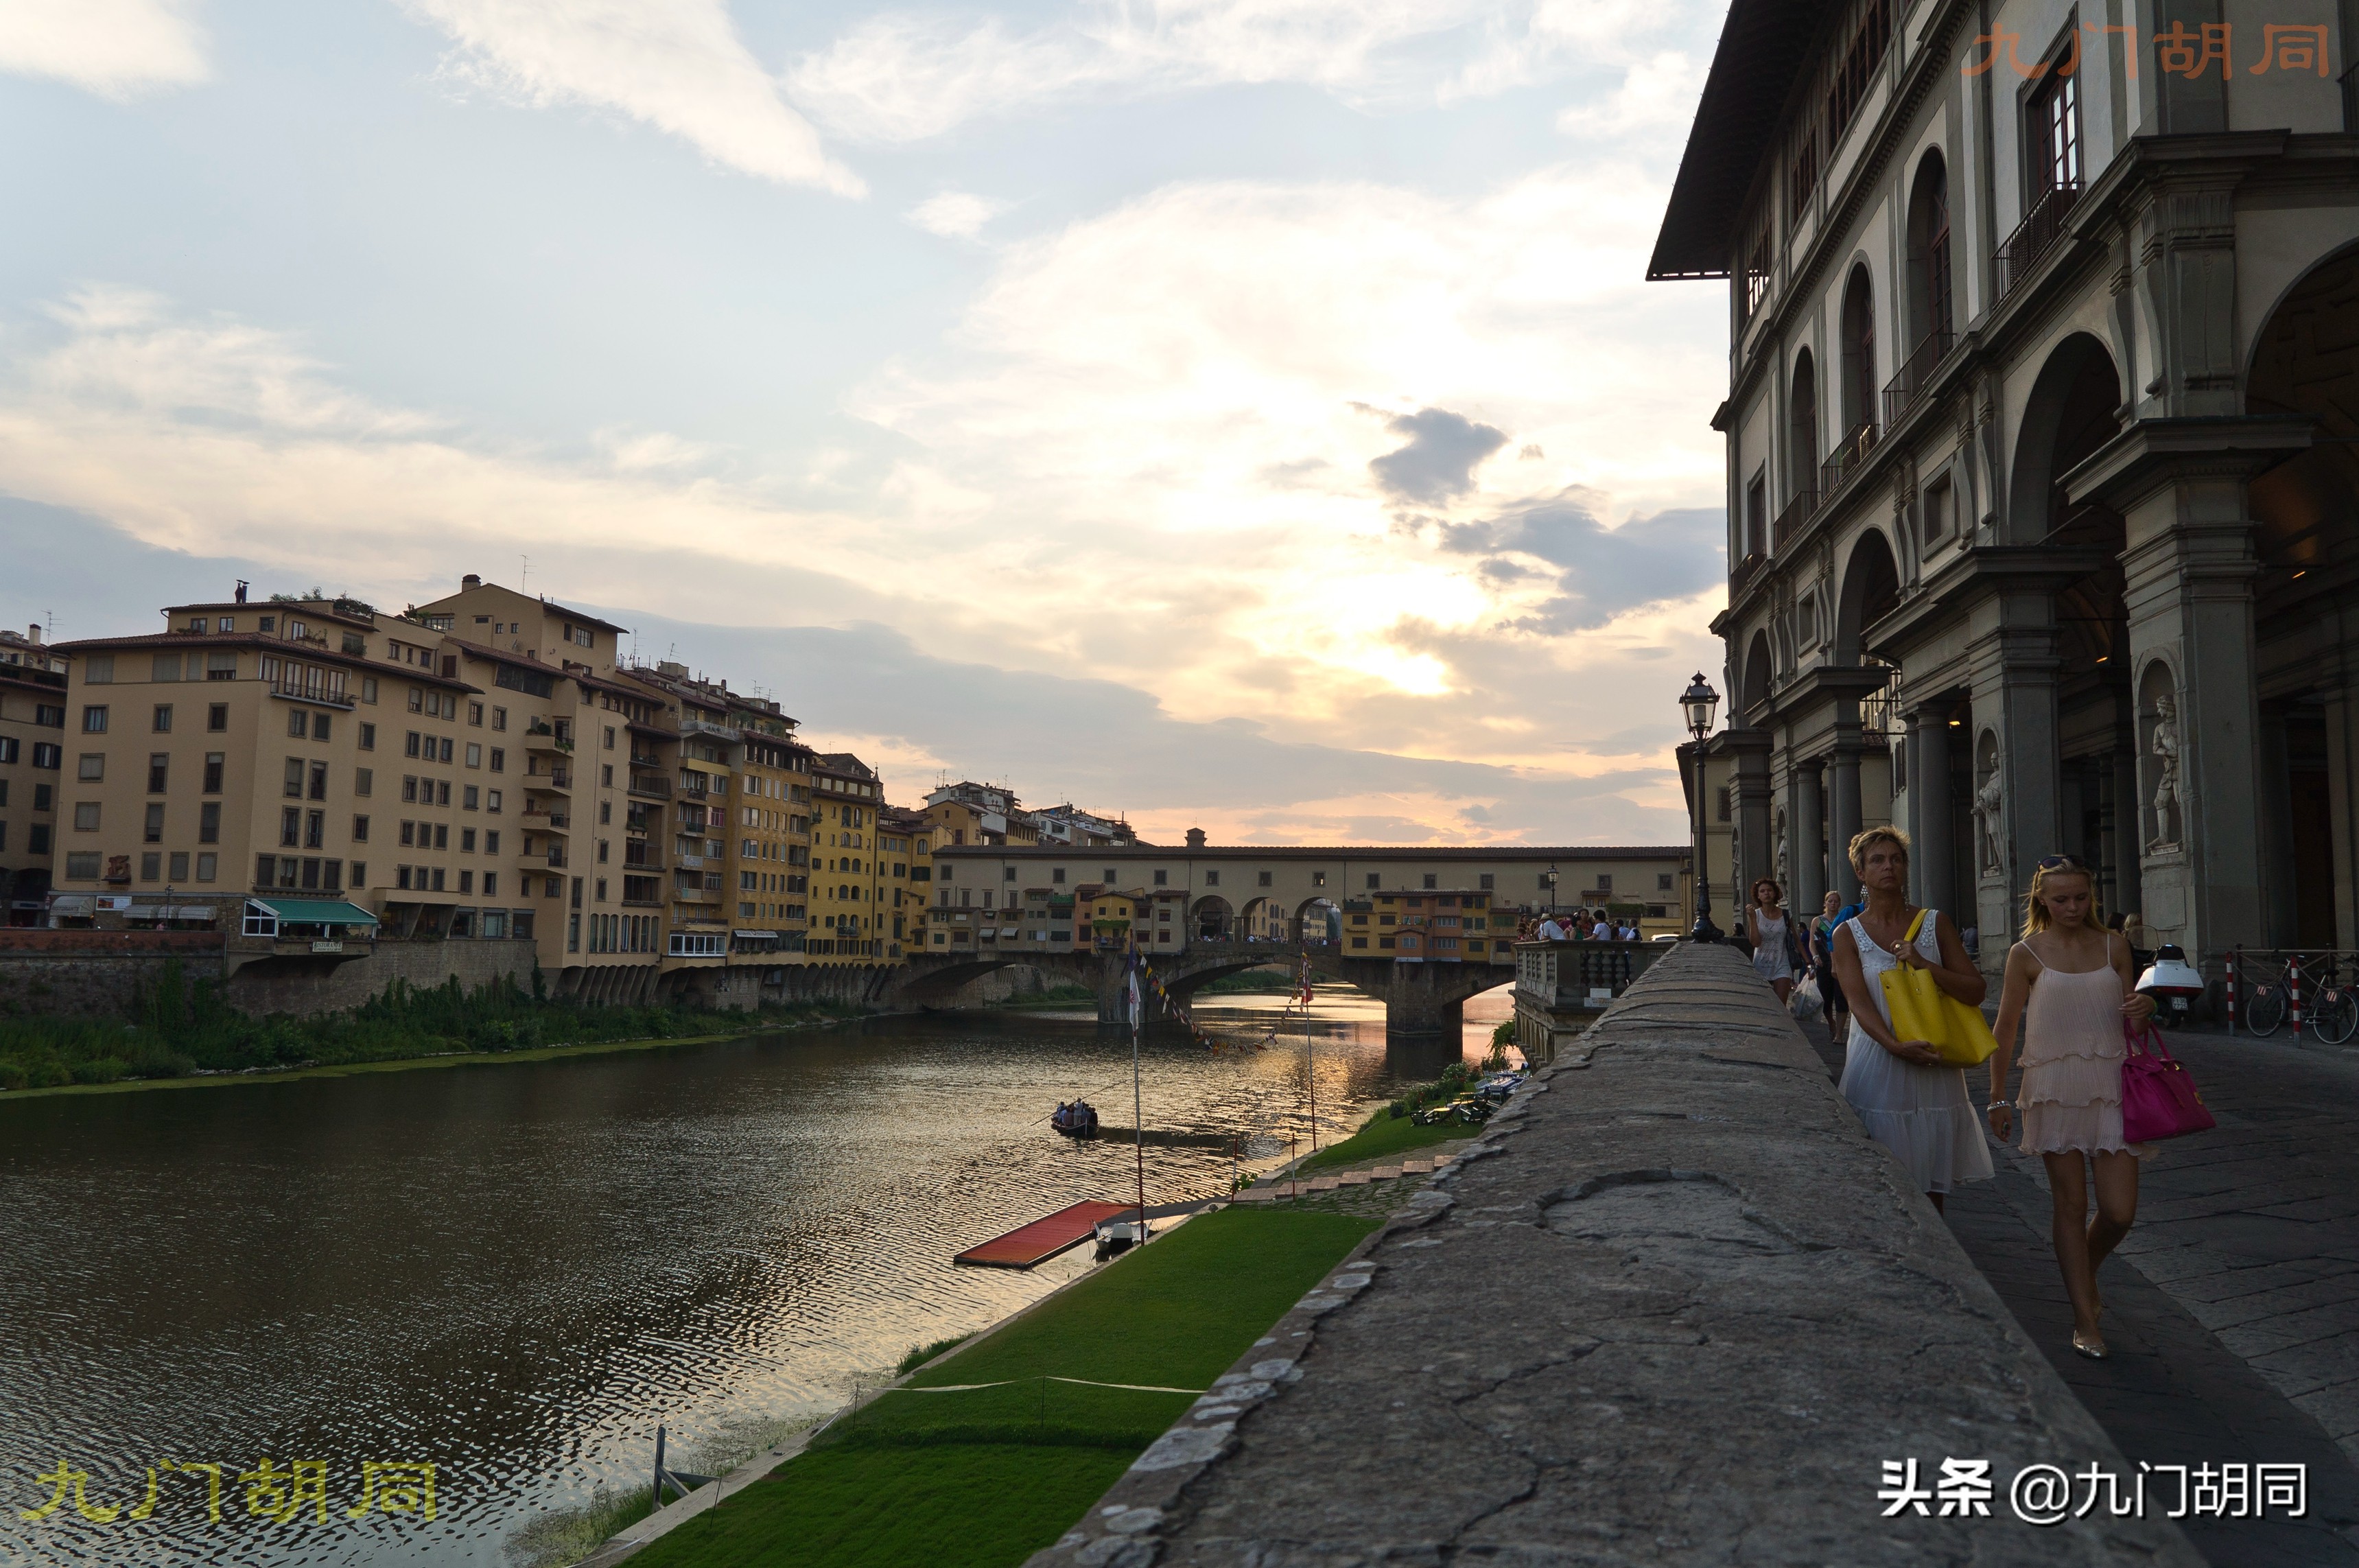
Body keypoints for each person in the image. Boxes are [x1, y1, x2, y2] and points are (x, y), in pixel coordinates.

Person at [1986, 854, 2155, 1361]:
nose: (2073, 906)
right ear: (2042, 898)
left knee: (2120, 1211)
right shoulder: (2026, 953)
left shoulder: (2115, 945)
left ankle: (2086, 1269)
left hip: (2111, 1083)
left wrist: (2146, 1007)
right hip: (2052, 1086)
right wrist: (1997, 1095)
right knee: (2070, 1205)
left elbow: (2136, 1027)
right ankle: (2085, 1318)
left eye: (2081, 897)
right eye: (2061, 899)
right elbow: (2006, 1027)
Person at [1829, 826, 1993, 1210]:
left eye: (1896, 859)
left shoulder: (1935, 923)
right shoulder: (1846, 934)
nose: (1889, 867)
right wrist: (1895, 1046)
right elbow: (1858, 1002)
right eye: (1878, 860)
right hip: (1879, 1060)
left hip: (1935, 1060)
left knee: (1931, 1181)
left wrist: (1923, 964)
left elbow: (1975, 990)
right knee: (1881, 1178)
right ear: (1861, 873)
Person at [1743, 879, 1803, 1003]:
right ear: (1758, 895)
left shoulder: (1786, 914)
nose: (1766, 893)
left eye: (1769, 890)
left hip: (1782, 963)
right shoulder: (1756, 915)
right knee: (1764, 1003)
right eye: (1762, 891)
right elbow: (1755, 943)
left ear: (1775, 893)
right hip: (1761, 963)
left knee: (1781, 1004)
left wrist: (1808, 962)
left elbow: (1796, 939)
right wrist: (1753, 919)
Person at [1810, 891, 1850, 1038]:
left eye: (1836, 901)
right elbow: (1812, 943)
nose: (1833, 904)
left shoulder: (1844, 920)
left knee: (1841, 999)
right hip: (1823, 964)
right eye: (1830, 901)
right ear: (1825, 903)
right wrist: (1815, 957)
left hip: (1841, 965)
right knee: (1825, 1000)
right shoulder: (1818, 921)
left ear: (1840, 904)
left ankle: (1839, 1034)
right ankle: (1830, 1022)